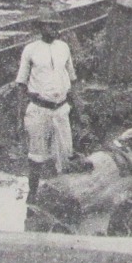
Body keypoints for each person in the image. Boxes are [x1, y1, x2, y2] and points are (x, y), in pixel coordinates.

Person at [14, 16, 77, 202]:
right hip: (39, 110)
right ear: (41, 28)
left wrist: (78, 109)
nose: (54, 30)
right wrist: (19, 118)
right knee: (36, 156)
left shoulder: (63, 48)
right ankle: (32, 196)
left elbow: (72, 78)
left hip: (61, 109)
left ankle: (64, 198)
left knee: (65, 154)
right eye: (50, 26)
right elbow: (21, 84)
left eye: (56, 26)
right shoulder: (31, 50)